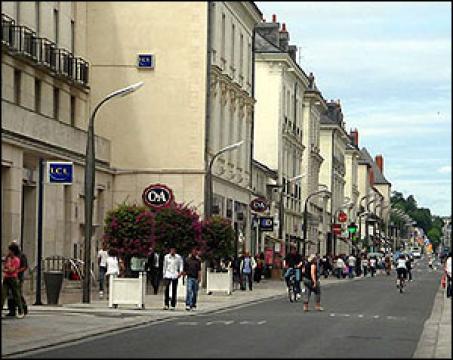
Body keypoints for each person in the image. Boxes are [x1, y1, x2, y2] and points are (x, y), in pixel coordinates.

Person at [1, 243, 25, 318]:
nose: (8, 252)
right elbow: (5, 267)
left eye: (10, 250)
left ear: (13, 251)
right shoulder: (8, 259)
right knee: (3, 294)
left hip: (13, 278)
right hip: (6, 278)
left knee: (16, 295)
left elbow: (12, 270)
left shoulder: (16, 260)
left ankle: (21, 311)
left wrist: (6, 269)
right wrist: (6, 269)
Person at [7, 241, 28, 317]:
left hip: (18, 277)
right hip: (9, 276)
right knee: (10, 293)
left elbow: (25, 266)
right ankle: (11, 310)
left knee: (17, 293)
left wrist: (17, 270)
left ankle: (22, 308)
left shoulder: (22, 256)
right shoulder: (10, 256)